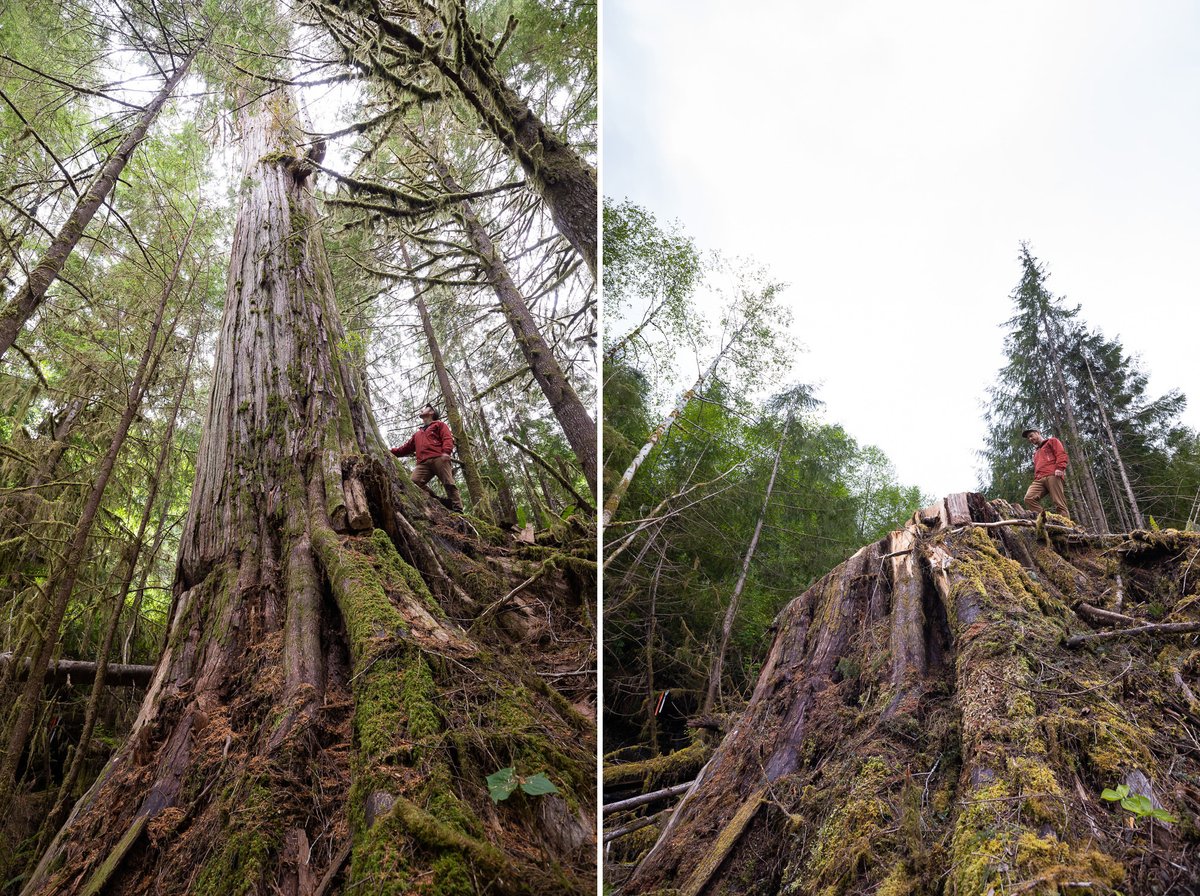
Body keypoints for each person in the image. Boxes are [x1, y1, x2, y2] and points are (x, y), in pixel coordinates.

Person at [391, 404, 464, 512]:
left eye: (425, 408)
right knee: (414, 483)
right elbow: (405, 448)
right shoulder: (417, 434)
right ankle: (439, 501)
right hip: (422, 463)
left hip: (439, 458)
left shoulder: (439, 424)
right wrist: (390, 452)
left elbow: (447, 438)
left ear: (431, 412)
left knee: (448, 483)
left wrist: (446, 452)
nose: (422, 409)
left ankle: (458, 509)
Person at [1021, 427, 1070, 518]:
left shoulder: (1052, 441)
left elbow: (1061, 454)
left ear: (1038, 433)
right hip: (1039, 479)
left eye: (1031, 436)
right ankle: (1046, 519)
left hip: (1053, 475)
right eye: (1028, 438)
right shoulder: (1035, 453)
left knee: (1058, 502)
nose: (1030, 439)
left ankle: (1067, 525)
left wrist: (1060, 468)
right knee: (1028, 498)